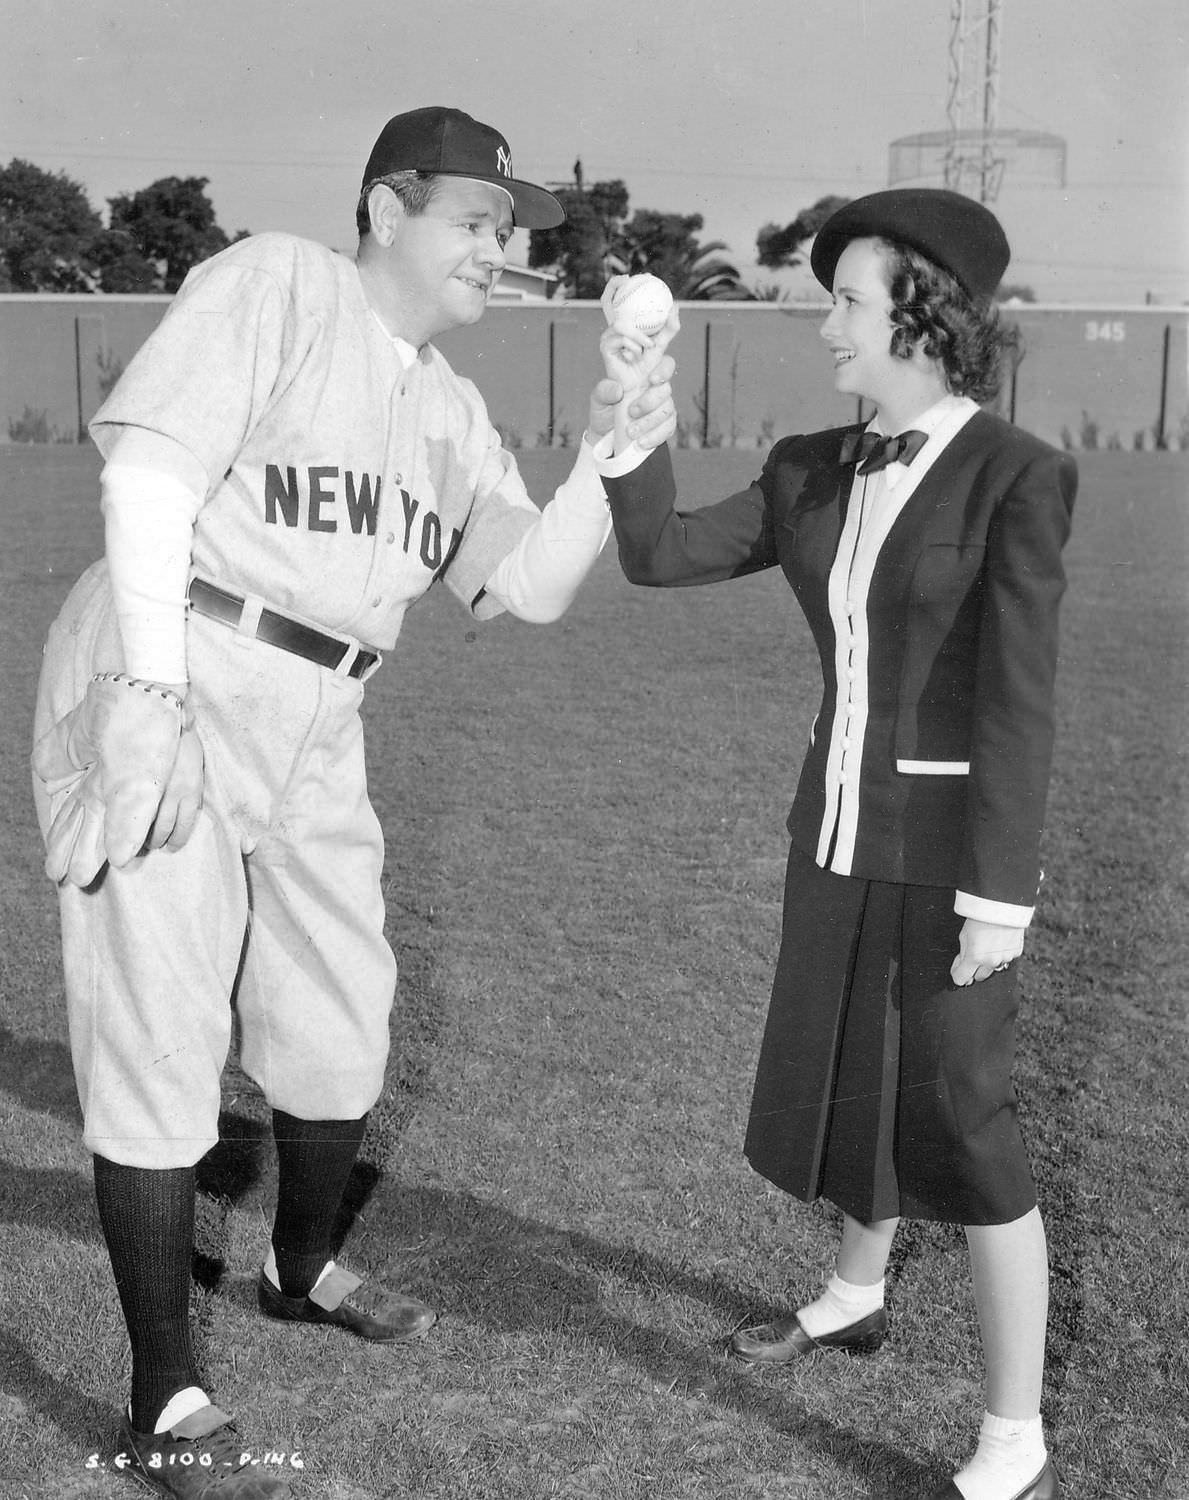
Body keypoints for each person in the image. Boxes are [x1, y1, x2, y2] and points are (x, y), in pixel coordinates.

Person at [31, 106, 675, 1499]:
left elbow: (531, 588)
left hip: (322, 708)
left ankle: (300, 1264)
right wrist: (144, 697)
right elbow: (146, 472)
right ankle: (164, 1397)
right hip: (178, 655)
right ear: (384, 210)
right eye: (477, 222)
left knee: (338, 1017)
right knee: (159, 1018)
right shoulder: (281, 282)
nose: (498, 254)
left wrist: (606, 458)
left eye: (513, 237)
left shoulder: (447, 410)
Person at [595, 190, 1075, 1500]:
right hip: (834, 838)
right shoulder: (813, 465)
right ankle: (853, 1294)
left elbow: (1016, 700)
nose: (824, 331)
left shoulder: (1016, 474)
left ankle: (1014, 1433)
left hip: (950, 862)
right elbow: (656, 556)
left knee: (965, 1124)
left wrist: (998, 900)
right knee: (847, 1078)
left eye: (846, 304)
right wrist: (633, 397)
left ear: (919, 310)